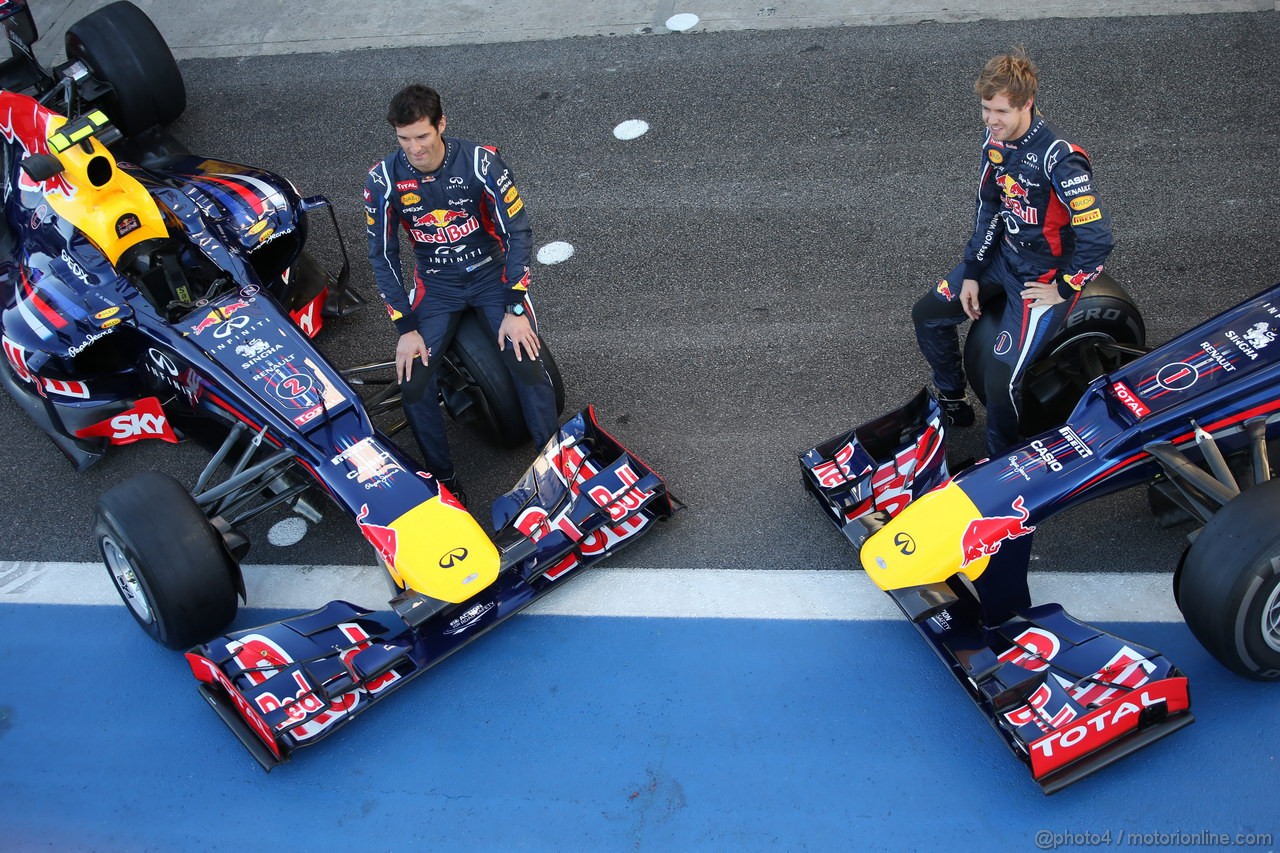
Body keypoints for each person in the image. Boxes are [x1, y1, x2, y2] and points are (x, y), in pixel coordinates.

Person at [912, 48, 1113, 455]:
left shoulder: (1061, 159)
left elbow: (1098, 237)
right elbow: (989, 206)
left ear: (1027, 103)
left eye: (999, 111)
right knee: (927, 314)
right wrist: (972, 269)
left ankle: (1002, 460)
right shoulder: (996, 141)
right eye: (985, 109)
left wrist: (1063, 287)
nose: (990, 120)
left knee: (1001, 381)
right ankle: (952, 400)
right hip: (1002, 258)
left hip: (1040, 280)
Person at [365, 84, 558, 500]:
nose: (414, 148)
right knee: (413, 383)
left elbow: (518, 234)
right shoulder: (382, 180)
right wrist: (405, 326)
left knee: (526, 361)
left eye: (422, 136)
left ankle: (555, 466)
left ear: (441, 125)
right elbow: (382, 256)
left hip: (491, 277)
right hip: (437, 286)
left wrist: (515, 304)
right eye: (403, 139)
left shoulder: (482, 163)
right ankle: (444, 486)